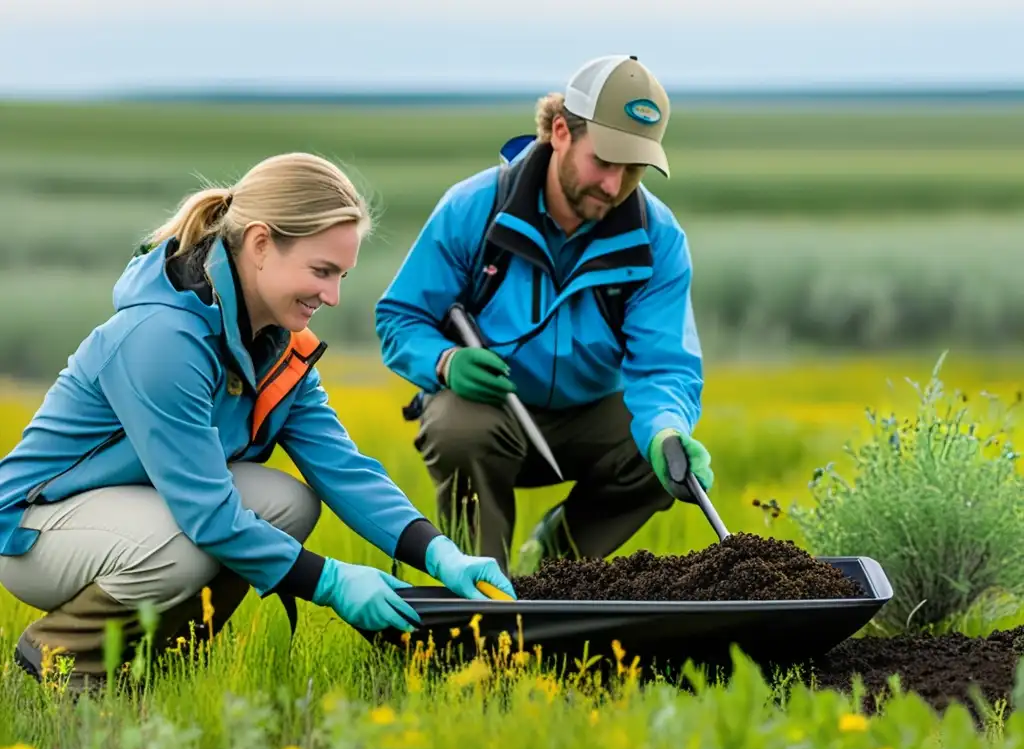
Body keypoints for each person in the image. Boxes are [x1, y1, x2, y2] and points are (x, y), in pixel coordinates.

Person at [0, 151, 515, 692]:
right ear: (261, 244)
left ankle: (166, 664)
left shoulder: (275, 343)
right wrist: (332, 582)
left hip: (130, 508)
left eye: (342, 275)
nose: (333, 296)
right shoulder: (162, 339)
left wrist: (437, 551)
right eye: (321, 271)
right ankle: (69, 655)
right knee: (191, 544)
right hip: (37, 527)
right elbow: (206, 514)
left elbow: (340, 466)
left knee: (286, 504)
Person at [375, 55, 715, 574]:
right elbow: (400, 318)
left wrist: (668, 430)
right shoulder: (472, 209)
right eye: (604, 160)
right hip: (492, 413)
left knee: (660, 453)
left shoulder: (659, 239)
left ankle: (557, 569)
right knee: (456, 425)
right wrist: (445, 363)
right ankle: (482, 593)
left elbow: (665, 367)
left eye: (634, 169)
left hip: (592, 418)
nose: (613, 184)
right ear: (561, 131)